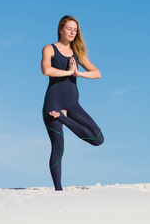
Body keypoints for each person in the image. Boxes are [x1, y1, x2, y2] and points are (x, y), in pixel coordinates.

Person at [41, 15, 104, 191]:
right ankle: (58, 190)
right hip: (52, 104)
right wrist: (68, 71)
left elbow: (97, 73)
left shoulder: (78, 54)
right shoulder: (50, 49)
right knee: (58, 147)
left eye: (75, 30)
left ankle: (64, 118)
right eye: (69, 28)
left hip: (72, 106)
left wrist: (78, 73)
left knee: (98, 138)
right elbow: (46, 69)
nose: (72, 32)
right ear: (60, 29)